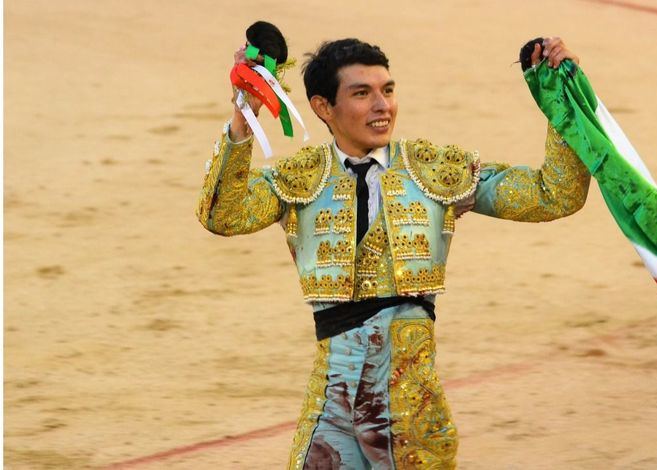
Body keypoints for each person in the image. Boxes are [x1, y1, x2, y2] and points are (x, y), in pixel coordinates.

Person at [197, 35, 590, 469]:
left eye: (387, 90)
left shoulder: (435, 170)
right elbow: (223, 215)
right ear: (323, 107)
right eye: (362, 94)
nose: (382, 106)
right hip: (333, 405)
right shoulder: (300, 179)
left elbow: (555, 194)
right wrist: (243, 116)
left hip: (412, 409)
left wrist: (561, 104)